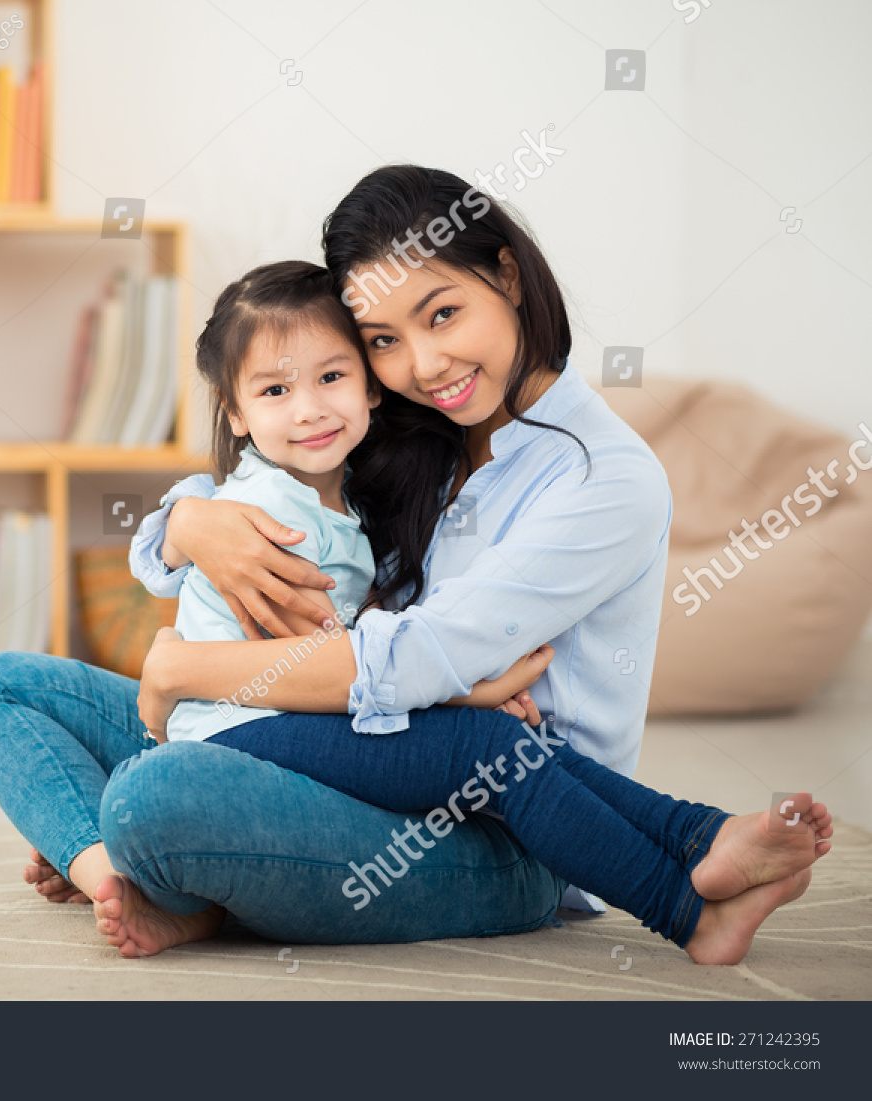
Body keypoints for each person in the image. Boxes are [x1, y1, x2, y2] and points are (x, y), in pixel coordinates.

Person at [0, 164, 830, 962]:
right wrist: (191, 520)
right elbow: (263, 471)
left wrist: (183, 669)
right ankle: (116, 872)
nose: (425, 365)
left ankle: (690, 856)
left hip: (493, 834)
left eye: (443, 313)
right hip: (321, 751)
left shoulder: (607, 479)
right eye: (381, 340)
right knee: (3, 688)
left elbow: (417, 661)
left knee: (157, 795)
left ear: (509, 276)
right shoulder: (407, 442)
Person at [137, 256, 832, 966]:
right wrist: (185, 522)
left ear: (368, 386)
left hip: (278, 712)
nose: (310, 407)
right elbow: (330, 659)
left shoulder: (348, 483)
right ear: (235, 410)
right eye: (276, 389)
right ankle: (685, 908)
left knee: (509, 751)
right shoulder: (277, 514)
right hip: (248, 723)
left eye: (331, 377)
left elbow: (352, 657)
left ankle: (700, 836)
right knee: (490, 749)